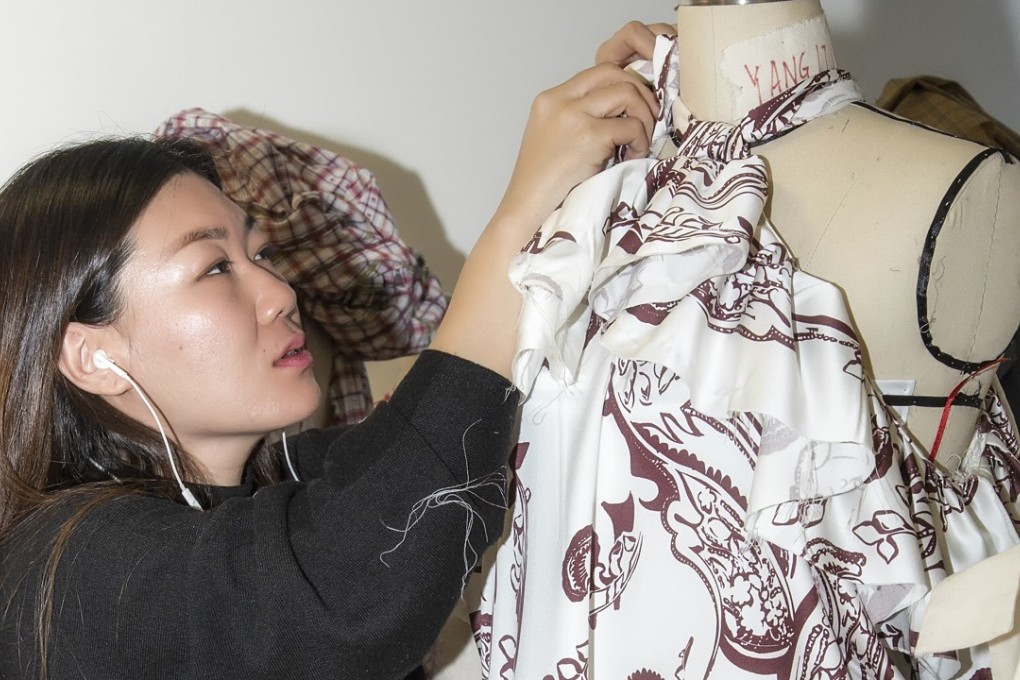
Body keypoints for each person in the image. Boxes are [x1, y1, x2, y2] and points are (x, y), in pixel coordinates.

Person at [0, 23, 666, 680]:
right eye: (215, 268)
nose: (279, 292)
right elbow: (347, 595)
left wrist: (601, 156)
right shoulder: (63, 573)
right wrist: (518, 218)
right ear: (90, 356)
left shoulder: (291, 482)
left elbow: (446, 453)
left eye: (261, 254)